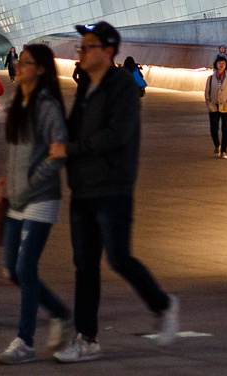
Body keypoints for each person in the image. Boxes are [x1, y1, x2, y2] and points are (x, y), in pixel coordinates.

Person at [56, 20, 178, 363]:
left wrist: (71, 150)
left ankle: (163, 304)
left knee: (118, 257)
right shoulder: (84, 88)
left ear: (107, 51)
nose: (80, 51)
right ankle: (86, 339)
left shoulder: (122, 87)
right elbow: (73, 131)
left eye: (87, 46)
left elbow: (115, 135)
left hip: (112, 186)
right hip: (82, 188)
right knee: (85, 266)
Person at [0, 43, 73, 364]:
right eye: (18, 62)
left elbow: (59, 151)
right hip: (16, 197)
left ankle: (24, 341)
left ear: (39, 69)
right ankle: (61, 312)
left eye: (24, 63)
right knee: (12, 269)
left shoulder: (47, 106)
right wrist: (8, 179)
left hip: (41, 198)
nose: (17, 67)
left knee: (26, 267)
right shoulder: (18, 102)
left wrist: (30, 181)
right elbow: (18, 150)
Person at [204, 57, 227, 158]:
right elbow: (206, 92)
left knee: (225, 129)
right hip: (214, 106)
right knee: (213, 129)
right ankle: (217, 145)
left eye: (223, 63)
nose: (221, 65)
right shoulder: (210, 78)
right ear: (216, 64)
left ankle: (224, 150)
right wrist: (208, 102)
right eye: (219, 63)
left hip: (226, 107)